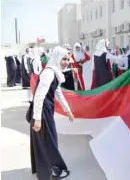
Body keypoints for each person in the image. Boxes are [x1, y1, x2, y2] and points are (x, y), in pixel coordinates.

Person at [31, 46, 75, 180]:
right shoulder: (49, 72)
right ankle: (49, 172)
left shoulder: (54, 71)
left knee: (49, 139)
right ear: (57, 57)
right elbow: (38, 96)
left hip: (47, 110)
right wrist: (37, 119)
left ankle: (48, 168)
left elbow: (58, 92)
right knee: (48, 141)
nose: (66, 62)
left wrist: (68, 110)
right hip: (42, 112)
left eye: (68, 59)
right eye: (64, 59)